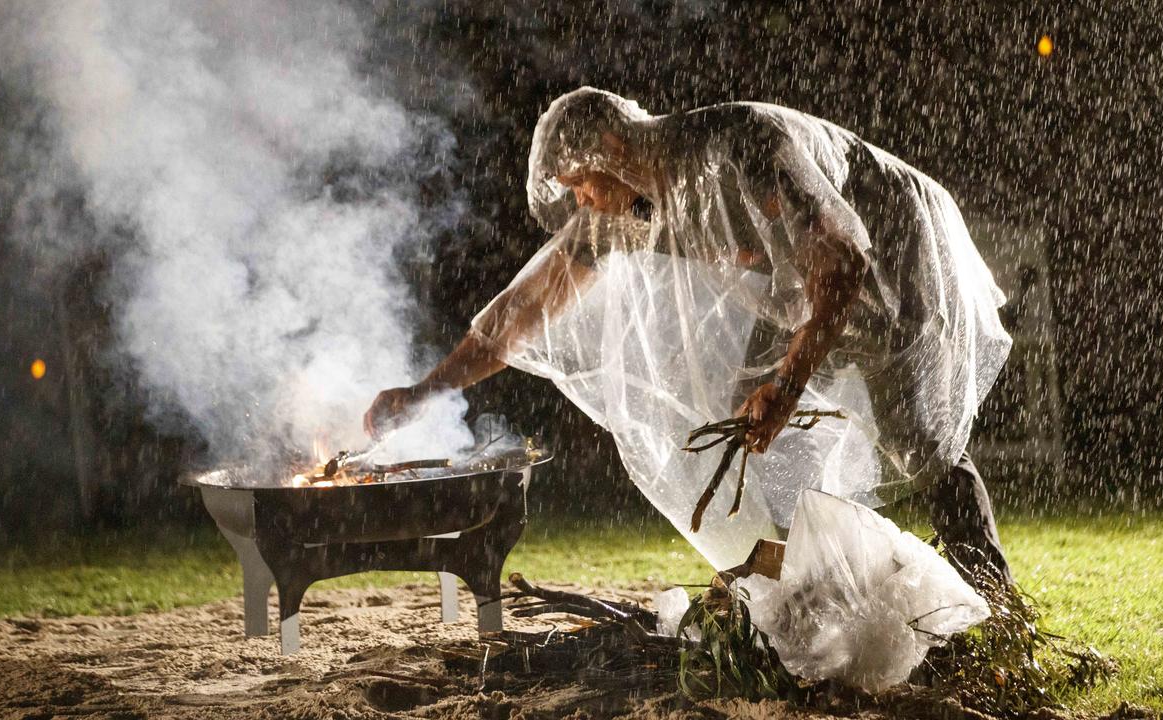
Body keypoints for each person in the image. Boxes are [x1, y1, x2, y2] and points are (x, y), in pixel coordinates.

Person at [365, 88, 1014, 587]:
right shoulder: (626, 209)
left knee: (917, 435)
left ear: (613, 152)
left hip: (895, 249)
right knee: (747, 423)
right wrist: (424, 391)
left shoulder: (740, 143)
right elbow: (521, 312)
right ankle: (789, 582)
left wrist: (788, 382)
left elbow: (842, 257)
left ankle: (991, 586)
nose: (582, 203)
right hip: (802, 281)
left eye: (581, 186)